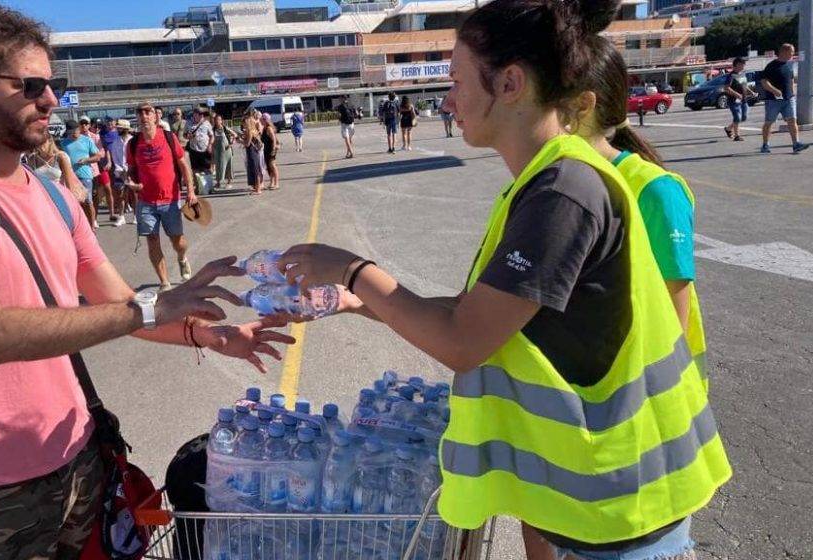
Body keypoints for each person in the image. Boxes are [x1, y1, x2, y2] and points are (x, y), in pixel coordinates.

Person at [276, 1, 731, 559]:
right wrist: (357, 300)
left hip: (619, 516)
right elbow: (482, 313)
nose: (448, 102)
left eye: (458, 81)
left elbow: (463, 340)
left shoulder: (563, 192)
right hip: (596, 510)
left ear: (510, 83)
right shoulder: (547, 182)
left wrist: (353, 269)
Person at [0, 6, 292, 558]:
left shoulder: (58, 199)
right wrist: (150, 310)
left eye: (53, 84)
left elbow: (121, 304)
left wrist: (212, 336)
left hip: (79, 455)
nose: (51, 99)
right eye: (30, 85)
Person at [572, 35, 709, 389]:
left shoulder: (656, 191)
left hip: (658, 398)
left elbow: (672, 319)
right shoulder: (563, 183)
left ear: (582, 106)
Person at [126, 101, 196, 290]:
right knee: (152, 240)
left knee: (178, 242)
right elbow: (131, 171)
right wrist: (132, 183)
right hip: (146, 202)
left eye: (148, 112)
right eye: (140, 113)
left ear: (156, 116)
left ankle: (182, 258)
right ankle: (164, 282)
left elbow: (183, 165)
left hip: (170, 199)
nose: (144, 116)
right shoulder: (132, 144)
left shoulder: (168, 137)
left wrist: (190, 190)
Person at [759, 43, 809, 154]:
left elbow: (791, 79)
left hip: (788, 99)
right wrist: (774, 90)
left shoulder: (789, 65)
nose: (792, 54)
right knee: (769, 122)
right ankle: (765, 145)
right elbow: (764, 82)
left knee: (792, 120)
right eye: (791, 52)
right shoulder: (771, 66)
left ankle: (796, 144)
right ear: (784, 52)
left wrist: (792, 92)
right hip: (773, 100)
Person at [61, 119, 103, 228]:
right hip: (70, 176)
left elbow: (98, 157)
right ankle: (82, 226)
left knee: (88, 201)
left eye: (75, 131)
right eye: (71, 132)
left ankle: (92, 225)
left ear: (79, 129)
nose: (74, 134)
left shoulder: (87, 140)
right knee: (75, 202)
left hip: (85, 175)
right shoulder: (63, 143)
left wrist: (86, 160)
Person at [24, 136, 87, 203]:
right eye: (37, 143)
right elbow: (31, 182)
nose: (40, 147)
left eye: (42, 143)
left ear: (50, 141)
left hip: (60, 196)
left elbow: (69, 184)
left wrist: (72, 201)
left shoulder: (61, 157)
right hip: (41, 197)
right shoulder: (32, 158)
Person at [107, 118, 136, 225]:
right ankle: (121, 216)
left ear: (126, 129)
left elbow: (135, 156)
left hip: (132, 171)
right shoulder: (116, 142)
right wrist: (120, 169)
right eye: (117, 128)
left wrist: (129, 169)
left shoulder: (133, 141)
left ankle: (136, 216)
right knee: (120, 194)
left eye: (120, 128)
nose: (118, 130)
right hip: (120, 171)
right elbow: (115, 157)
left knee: (134, 194)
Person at [722, 57, 753, 142]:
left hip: (743, 100)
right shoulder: (731, 76)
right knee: (737, 117)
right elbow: (726, 88)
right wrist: (736, 94)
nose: (743, 66)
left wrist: (751, 92)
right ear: (736, 65)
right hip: (733, 101)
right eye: (741, 65)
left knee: (743, 117)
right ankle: (737, 136)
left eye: (743, 65)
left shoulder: (743, 74)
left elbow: (744, 85)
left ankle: (728, 129)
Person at [212, 113, 237, 190]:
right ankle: (218, 183)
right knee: (218, 167)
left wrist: (231, 143)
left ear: (221, 121)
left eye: (219, 120)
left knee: (228, 166)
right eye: (216, 120)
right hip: (218, 151)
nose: (217, 121)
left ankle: (229, 182)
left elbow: (235, 135)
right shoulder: (213, 130)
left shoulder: (225, 128)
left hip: (227, 151)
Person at [186, 108, 214, 175]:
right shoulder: (189, 123)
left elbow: (212, 136)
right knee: (195, 170)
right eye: (200, 114)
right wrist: (189, 136)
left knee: (207, 169)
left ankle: (207, 184)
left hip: (205, 149)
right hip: (193, 150)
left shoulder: (206, 123)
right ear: (194, 114)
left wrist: (210, 145)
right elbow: (185, 135)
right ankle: (197, 184)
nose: (202, 115)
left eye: (202, 114)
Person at [242, 112, 264, 194]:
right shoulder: (253, 131)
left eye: (244, 124)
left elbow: (247, 144)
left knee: (255, 170)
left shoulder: (250, 132)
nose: (243, 125)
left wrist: (241, 141)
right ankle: (257, 187)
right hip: (253, 151)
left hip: (252, 151)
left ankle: (258, 189)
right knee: (255, 169)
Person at [261, 113, 280, 190]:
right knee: (269, 167)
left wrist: (273, 149)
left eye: (262, 119)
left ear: (265, 120)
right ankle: (271, 182)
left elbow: (274, 139)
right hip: (266, 149)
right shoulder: (264, 128)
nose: (260, 120)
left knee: (272, 166)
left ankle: (276, 183)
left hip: (271, 149)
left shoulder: (269, 128)